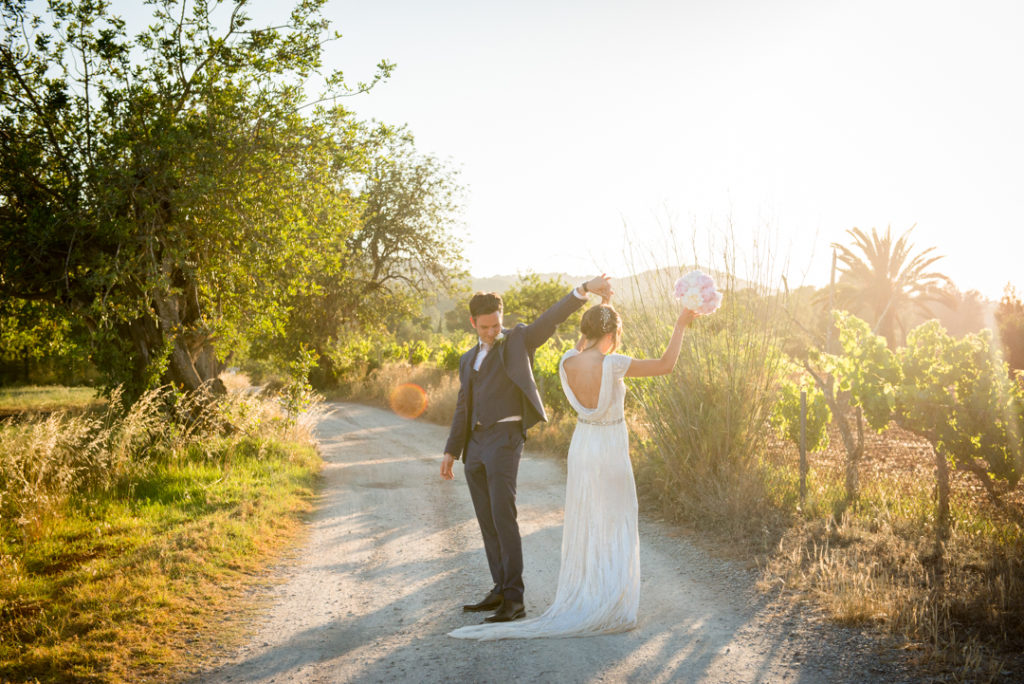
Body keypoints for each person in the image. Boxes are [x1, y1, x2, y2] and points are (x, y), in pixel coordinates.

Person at [448, 300, 698, 639]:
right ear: (613, 333)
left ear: (585, 332)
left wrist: (598, 317)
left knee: (587, 521)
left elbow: (582, 346)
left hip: (582, 447)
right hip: (609, 447)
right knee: (615, 520)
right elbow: (667, 365)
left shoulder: (568, 360)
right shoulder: (615, 364)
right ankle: (610, 596)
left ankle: (581, 591)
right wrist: (680, 324)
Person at [441, 275, 614, 623]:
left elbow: (550, 318)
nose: (492, 331)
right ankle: (499, 588)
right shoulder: (466, 359)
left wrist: (582, 291)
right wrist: (451, 451)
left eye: (497, 325)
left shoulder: (518, 340)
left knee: (503, 516)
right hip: (473, 447)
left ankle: (515, 599)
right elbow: (462, 406)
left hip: (505, 439)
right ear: (473, 323)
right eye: (486, 326)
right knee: (486, 519)